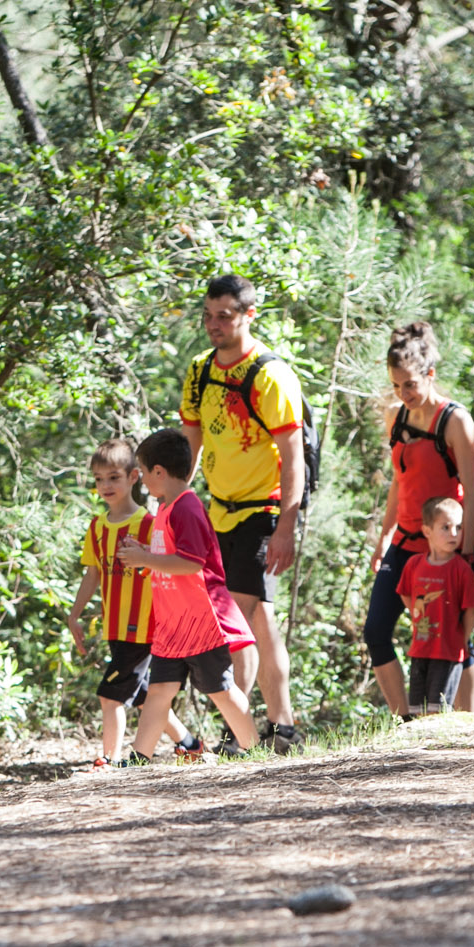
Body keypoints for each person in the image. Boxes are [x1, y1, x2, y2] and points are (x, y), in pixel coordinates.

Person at [179, 273, 305, 755]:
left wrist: (287, 526)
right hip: (218, 513)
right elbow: (191, 442)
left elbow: (293, 456)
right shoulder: (200, 370)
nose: (214, 325)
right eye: (208, 316)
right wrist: (172, 508)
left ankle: (257, 726)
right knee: (252, 616)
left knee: (246, 613)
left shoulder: (270, 375)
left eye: (225, 316)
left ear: (249, 315)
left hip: (263, 509)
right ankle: (270, 727)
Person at [363, 321, 474, 718]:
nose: (404, 393)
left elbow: (471, 491)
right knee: (377, 632)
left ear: (430, 374)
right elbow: (400, 483)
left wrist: (464, 553)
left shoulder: (454, 421)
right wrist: (383, 538)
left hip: (446, 546)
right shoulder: (396, 416)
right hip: (404, 544)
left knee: (451, 639)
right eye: (397, 385)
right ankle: (407, 720)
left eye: (411, 384)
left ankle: (465, 724)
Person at [115, 428, 259, 764]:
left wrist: (145, 559)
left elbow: (192, 563)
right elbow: (170, 557)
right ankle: (139, 758)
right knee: (160, 691)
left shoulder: (186, 508)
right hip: (173, 624)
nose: (143, 482)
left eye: (145, 473)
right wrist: (145, 553)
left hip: (201, 620)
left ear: (160, 472)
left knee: (220, 689)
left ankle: (255, 751)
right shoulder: (165, 510)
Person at [66, 439, 196, 766]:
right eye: (98, 479)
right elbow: (94, 574)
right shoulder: (97, 528)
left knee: (109, 697)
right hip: (115, 626)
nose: (105, 485)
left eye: (113, 477)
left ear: (134, 477)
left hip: (144, 629)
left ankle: (108, 761)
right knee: (142, 696)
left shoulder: (150, 525)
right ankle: (190, 744)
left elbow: (172, 570)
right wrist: (74, 615)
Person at [397, 496, 474, 715]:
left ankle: (438, 749)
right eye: (445, 527)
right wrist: (419, 615)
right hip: (421, 648)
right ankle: (418, 749)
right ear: (427, 531)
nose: (454, 534)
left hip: (448, 651)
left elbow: (470, 609)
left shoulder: (461, 570)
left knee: (438, 711)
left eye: (459, 528)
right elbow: (406, 594)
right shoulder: (414, 565)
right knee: (417, 710)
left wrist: (463, 639)